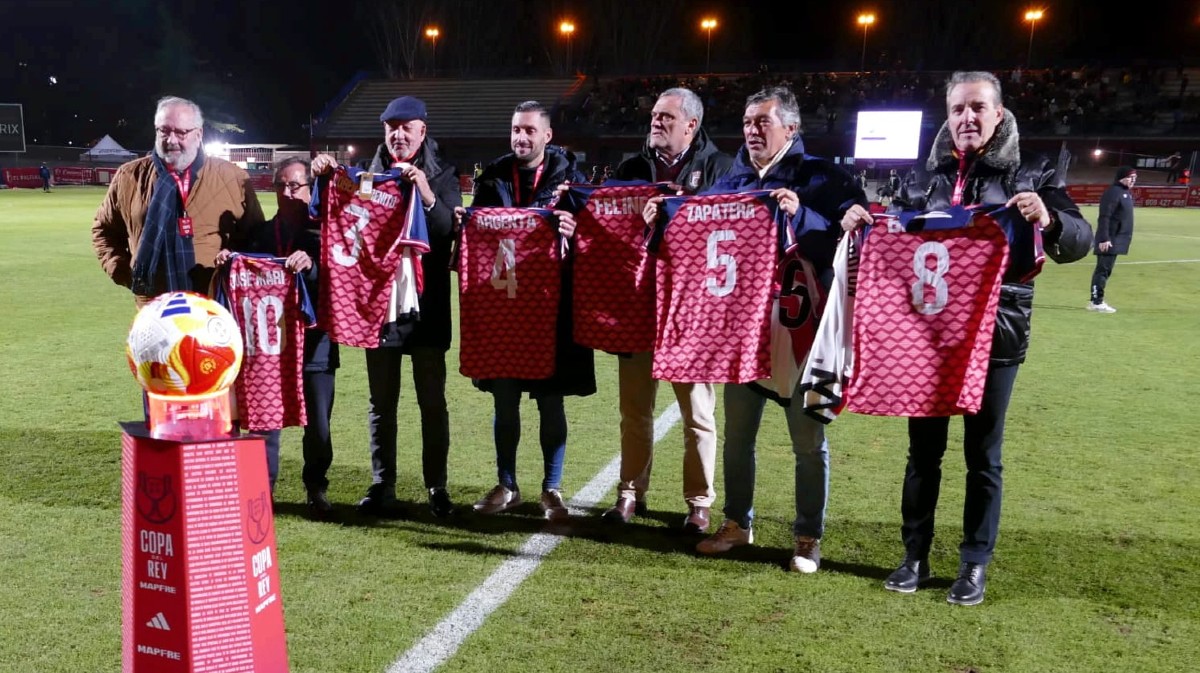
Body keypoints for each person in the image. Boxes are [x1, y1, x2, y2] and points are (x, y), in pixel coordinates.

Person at [841, 70, 1093, 606]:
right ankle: (914, 555)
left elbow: (1079, 242)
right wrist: (864, 225)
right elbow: (893, 249)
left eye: (978, 107)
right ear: (948, 115)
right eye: (958, 109)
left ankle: (974, 563)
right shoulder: (919, 181)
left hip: (997, 331)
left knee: (983, 455)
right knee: (922, 452)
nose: (967, 118)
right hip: (925, 333)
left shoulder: (1034, 172)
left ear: (998, 113)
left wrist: (1049, 219)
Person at [689, 86, 867, 573]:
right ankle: (736, 522)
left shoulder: (825, 178)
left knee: (807, 443)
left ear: (790, 128)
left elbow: (853, 240)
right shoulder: (732, 178)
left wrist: (802, 215)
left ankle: (808, 535)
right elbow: (697, 229)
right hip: (746, 332)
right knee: (738, 435)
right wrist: (663, 217)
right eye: (747, 122)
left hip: (806, 332)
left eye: (762, 122)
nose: (751, 130)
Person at [312, 96, 462, 518]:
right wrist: (325, 176)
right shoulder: (366, 177)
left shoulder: (444, 174)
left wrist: (427, 193)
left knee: (432, 401)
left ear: (422, 131)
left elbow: (447, 230)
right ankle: (383, 484)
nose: (398, 134)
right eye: (391, 127)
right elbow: (330, 210)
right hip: (378, 305)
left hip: (426, 306)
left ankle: (437, 486)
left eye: (406, 127)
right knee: (382, 402)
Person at [600, 87, 732, 533]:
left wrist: (679, 207)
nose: (656, 122)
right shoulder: (631, 168)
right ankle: (630, 492)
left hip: (691, 311)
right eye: (654, 115)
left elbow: (726, 225)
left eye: (666, 117)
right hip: (639, 307)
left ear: (691, 125)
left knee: (697, 414)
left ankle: (699, 502)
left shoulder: (720, 168)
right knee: (634, 411)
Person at [463, 100, 595, 520]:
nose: (521, 137)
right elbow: (476, 233)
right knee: (504, 401)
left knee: (551, 400)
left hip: (551, 307)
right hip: (503, 304)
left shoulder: (571, 181)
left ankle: (552, 489)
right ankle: (507, 484)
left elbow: (594, 239)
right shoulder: (492, 178)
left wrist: (576, 231)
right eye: (516, 130)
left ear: (547, 135)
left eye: (529, 131)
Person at [215, 158, 340, 515]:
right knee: (265, 420)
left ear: (309, 188)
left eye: (297, 185)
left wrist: (312, 267)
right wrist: (230, 261)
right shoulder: (261, 235)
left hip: (316, 342)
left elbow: (339, 282)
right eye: (283, 185)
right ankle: (261, 491)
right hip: (269, 346)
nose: (289, 192)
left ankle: (316, 487)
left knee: (318, 424)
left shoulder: (328, 234)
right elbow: (241, 270)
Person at [92, 96, 261, 307]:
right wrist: (120, 268)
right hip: (153, 307)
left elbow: (257, 238)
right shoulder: (128, 176)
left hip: (215, 304)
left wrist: (234, 260)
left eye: (181, 132)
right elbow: (103, 230)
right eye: (164, 130)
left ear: (198, 134)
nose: (171, 140)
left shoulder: (233, 177)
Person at [1087, 166, 1136, 313]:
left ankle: (1096, 301)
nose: (1133, 180)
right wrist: (1104, 238)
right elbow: (1104, 216)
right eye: (1131, 177)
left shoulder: (1124, 193)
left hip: (1117, 239)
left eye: (1135, 178)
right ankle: (1096, 302)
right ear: (1122, 177)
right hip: (1109, 239)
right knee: (1102, 270)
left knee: (1106, 271)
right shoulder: (1113, 192)